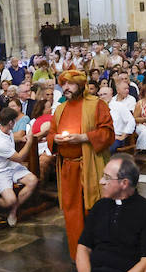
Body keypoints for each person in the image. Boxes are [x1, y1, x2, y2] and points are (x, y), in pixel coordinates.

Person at [48, 72, 113, 254]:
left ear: (81, 85)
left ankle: (100, 252)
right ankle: (78, 254)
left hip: (90, 164)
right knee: (72, 211)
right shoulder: (60, 109)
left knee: (93, 209)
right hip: (68, 167)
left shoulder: (96, 104)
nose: (66, 87)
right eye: (64, 84)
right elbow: (51, 134)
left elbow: (108, 133)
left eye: (71, 84)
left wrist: (84, 138)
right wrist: (56, 140)